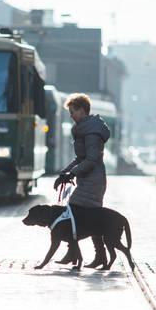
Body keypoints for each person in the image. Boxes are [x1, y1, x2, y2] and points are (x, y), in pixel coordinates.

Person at [52, 93, 111, 269]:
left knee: (76, 214)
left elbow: (91, 160)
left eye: (73, 111)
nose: (71, 116)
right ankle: (94, 255)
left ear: (82, 110)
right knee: (87, 218)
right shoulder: (84, 129)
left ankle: (78, 253)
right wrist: (65, 173)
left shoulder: (91, 132)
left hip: (94, 181)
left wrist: (71, 174)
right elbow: (80, 158)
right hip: (89, 179)